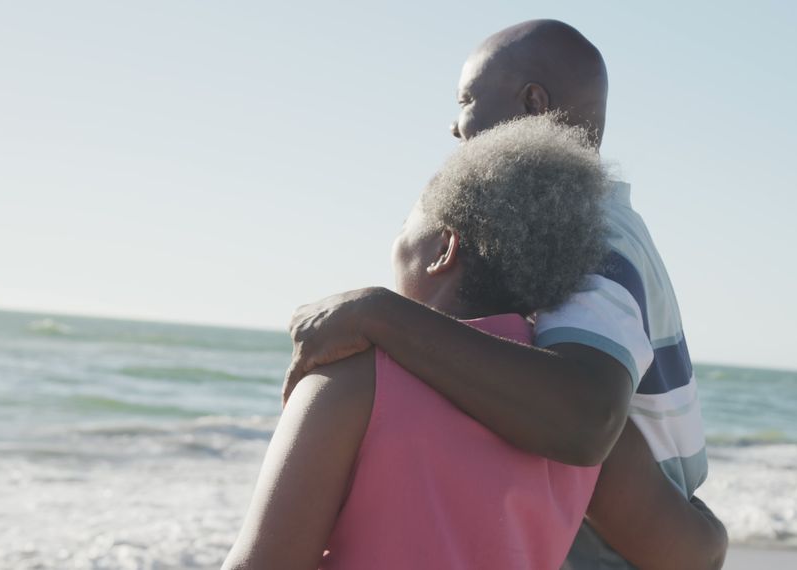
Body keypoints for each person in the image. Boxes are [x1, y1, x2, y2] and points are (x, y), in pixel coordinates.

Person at [284, 20, 722, 570]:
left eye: (467, 99)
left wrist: (379, 314)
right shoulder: (567, 255)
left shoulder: (593, 233)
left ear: (534, 103)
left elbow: (584, 420)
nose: (453, 125)